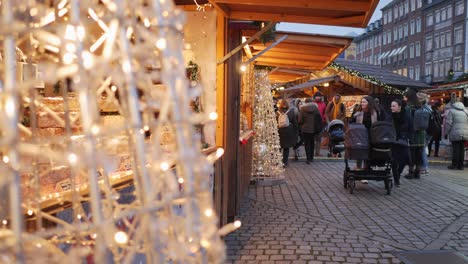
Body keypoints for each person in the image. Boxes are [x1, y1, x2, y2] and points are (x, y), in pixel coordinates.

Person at [351, 95, 385, 182]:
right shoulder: (358, 111)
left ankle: (366, 171)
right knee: (360, 152)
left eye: (364, 102)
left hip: (372, 136)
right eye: (361, 102)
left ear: (369, 103)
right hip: (360, 135)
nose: (362, 103)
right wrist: (354, 116)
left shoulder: (375, 112)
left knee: (369, 153)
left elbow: (381, 122)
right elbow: (351, 122)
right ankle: (359, 170)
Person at [404, 88, 425, 179]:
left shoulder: (408, 107)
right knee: (419, 153)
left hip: (412, 133)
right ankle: (418, 172)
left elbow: (406, 121)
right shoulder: (421, 106)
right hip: (421, 133)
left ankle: (411, 171)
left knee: (411, 153)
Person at [390, 99, 411, 187]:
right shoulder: (390, 116)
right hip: (393, 141)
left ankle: (398, 174)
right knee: (394, 161)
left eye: (393, 106)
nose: (391, 108)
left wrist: (408, 137)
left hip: (403, 141)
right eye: (391, 106)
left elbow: (411, 128)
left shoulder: (406, 116)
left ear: (399, 106)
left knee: (404, 160)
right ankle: (396, 179)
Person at [298, 98, 323, 164]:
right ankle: (311, 158)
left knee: (307, 144)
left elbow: (300, 120)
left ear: (305, 103)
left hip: (305, 129)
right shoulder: (316, 109)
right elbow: (319, 118)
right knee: (312, 143)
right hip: (314, 129)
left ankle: (308, 158)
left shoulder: (302, 109)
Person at [446, 100, 468, 170]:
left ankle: (454, 165)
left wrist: (447, 132)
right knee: (462, 149)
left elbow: (449, 123)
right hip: (465, 133)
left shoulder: (452, 111)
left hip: (455, 133)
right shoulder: (466, 111)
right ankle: (461, 165)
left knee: (456, 149)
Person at [277, 99, 299, 167]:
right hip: (288, 132)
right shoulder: (291, 112)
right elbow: (295, 123)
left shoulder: (276, 112)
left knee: (279, 147)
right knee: (286, 148)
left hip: (279, 131)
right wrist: (296, 132)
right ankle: (285, 162)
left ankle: (278, 161)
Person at [419, 93, 432, 174]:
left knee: (422, 149)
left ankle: (424, 167)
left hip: (424, 131)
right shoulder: (429, 108)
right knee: (423, 148)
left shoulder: (424, 109)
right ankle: (424, 167)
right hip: (429, 131)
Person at [313, 92, 327, 157]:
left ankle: (317, 152)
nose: (318, 97)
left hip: (321, 123)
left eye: (319, 96)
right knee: (313, 139)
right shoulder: (312, 104)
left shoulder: (323, 104)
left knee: (319, 139)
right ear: (314, 97)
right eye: (316, 96)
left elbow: (325, 112)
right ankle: (311, 152)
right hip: (313, 123)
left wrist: (324, 118)